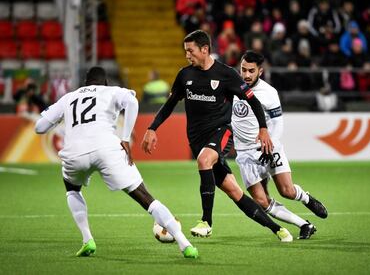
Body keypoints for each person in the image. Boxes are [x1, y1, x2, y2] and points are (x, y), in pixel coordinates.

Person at [141, 30, 293, 242]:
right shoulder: (185, 75)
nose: (187, 55)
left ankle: (206, 222)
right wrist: (152, 128)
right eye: (186, 51)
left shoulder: (227, 74)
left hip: (221, 132)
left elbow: (253, 101)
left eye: (190, 51)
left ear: (205, 49)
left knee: (204, 160)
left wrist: (263, 128)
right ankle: (278, 229)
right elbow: (170, 104)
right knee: (235, 192)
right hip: (196, 139)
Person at [34, 67, 198, 259]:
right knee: (145, 197)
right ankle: (184, 244)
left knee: (72, 189)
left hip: (74, 153)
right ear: (104, 83)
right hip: (106, 148)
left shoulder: (68, 97)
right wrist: (125, 137)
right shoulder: (112, 91)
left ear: (85, 83)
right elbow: (132, 101)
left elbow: (40, 127)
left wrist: (62, 118)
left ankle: (88, 240)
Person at [231, 51, 328, 239]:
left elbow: (277, 121)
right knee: (261, 201)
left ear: (261, 71)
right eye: (243, 70)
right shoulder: (232, 86)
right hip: (245, 154)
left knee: (287, 191)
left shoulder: (269, 93)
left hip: (269, 149)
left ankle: (306, 198)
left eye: (251, 70)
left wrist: (271, 146)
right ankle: (304, 225)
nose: (246, 75)